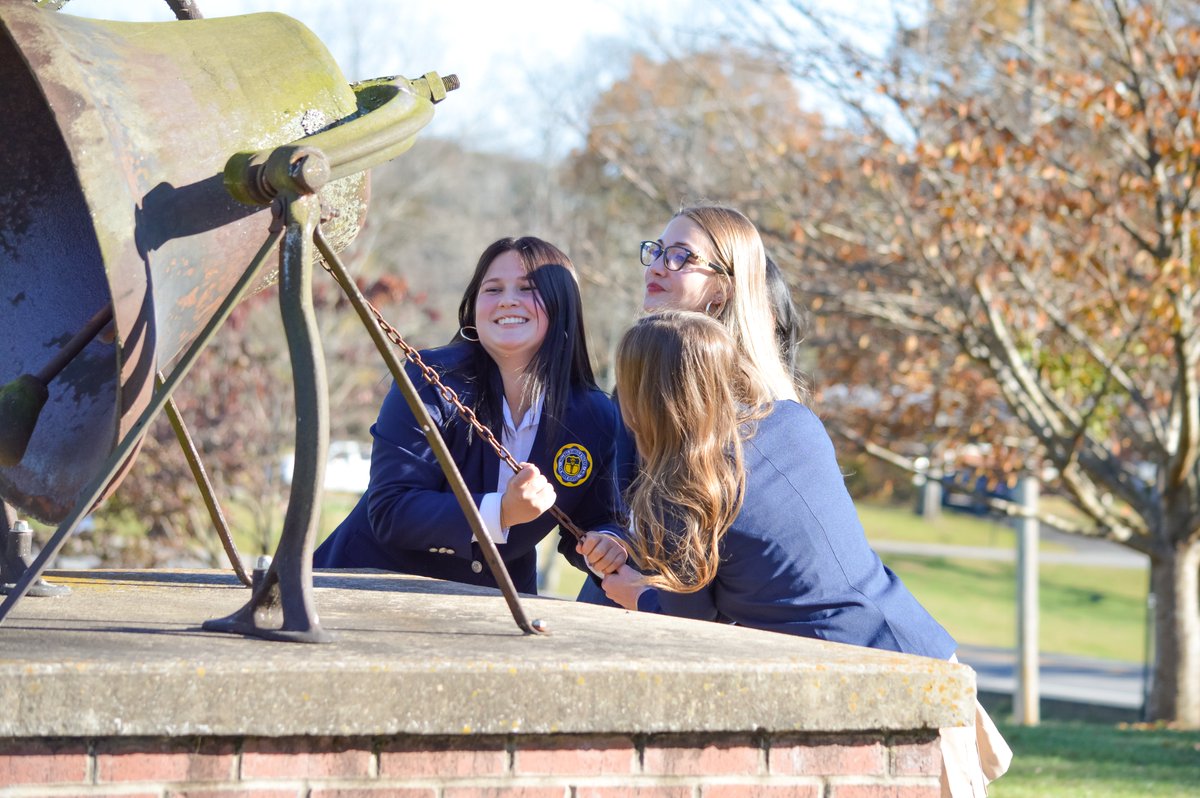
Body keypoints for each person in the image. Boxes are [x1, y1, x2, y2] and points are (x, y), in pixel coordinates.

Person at [601, 311, 1011, 797]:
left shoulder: (685, 492)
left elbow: (689, 624)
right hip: (924, 650)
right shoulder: (795, 421)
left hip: (870, 695)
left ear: (641, 395)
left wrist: (634, 594)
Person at [314, 237, 627, 594]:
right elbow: (391, 510)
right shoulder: (430, 379)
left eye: (527, 289)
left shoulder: (594, 415)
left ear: (563, 307)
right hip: (363, 588)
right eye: (492, 289)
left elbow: (594, 520)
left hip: (494, 606)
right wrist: (501, 512)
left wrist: (607, 542)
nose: (508, 299)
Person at [575, 204, 801, 606]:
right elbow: (618, 506)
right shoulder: (638, 380)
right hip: (623, 603)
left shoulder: (757, 411)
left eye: (681, 256)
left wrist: (647, 599)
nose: (658, 266)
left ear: (722, 288)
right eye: (657, 251)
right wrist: (611, 539)